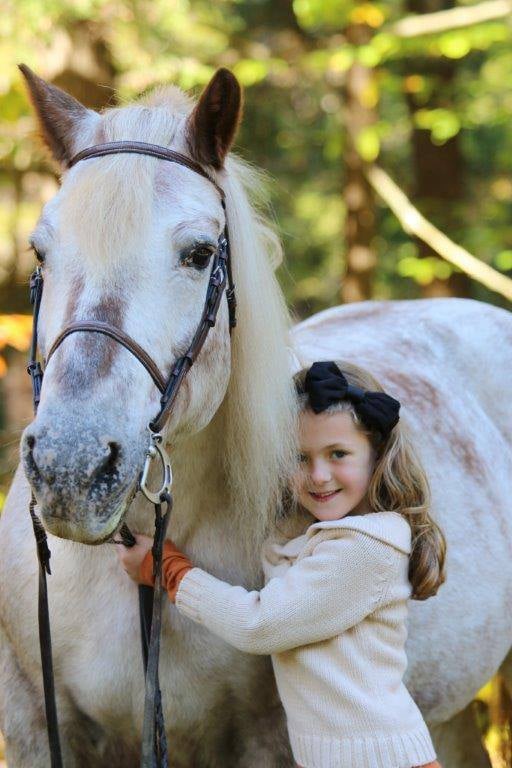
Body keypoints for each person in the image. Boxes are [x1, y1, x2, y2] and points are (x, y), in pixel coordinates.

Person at [117, 360, 446, 768]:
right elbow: (280, 559)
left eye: (338, 454)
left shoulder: (367, 547)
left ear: (377, 455)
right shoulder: (315, 538)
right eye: (299, 457)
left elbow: (262, 624)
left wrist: (169, 569)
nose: (319, 475)